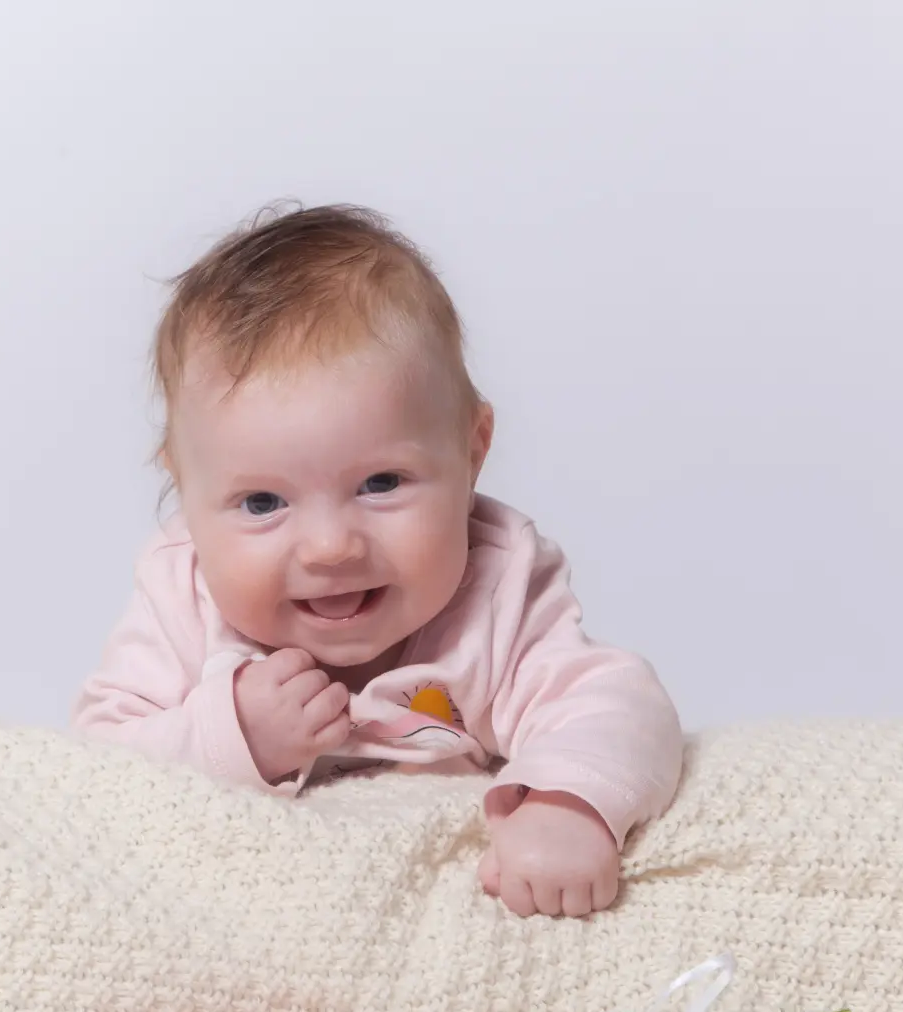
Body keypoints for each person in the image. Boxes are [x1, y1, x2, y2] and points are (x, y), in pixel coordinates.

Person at [72, 203, 684, 918]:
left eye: (381, 484)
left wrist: (566, 803)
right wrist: (234, 734)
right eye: (264, 502)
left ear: (472, 449)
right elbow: (97, 774)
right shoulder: (184, 591)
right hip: (250, 918)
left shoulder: (494, 584)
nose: (331, 547)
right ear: (184, 483)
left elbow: (616, 702)